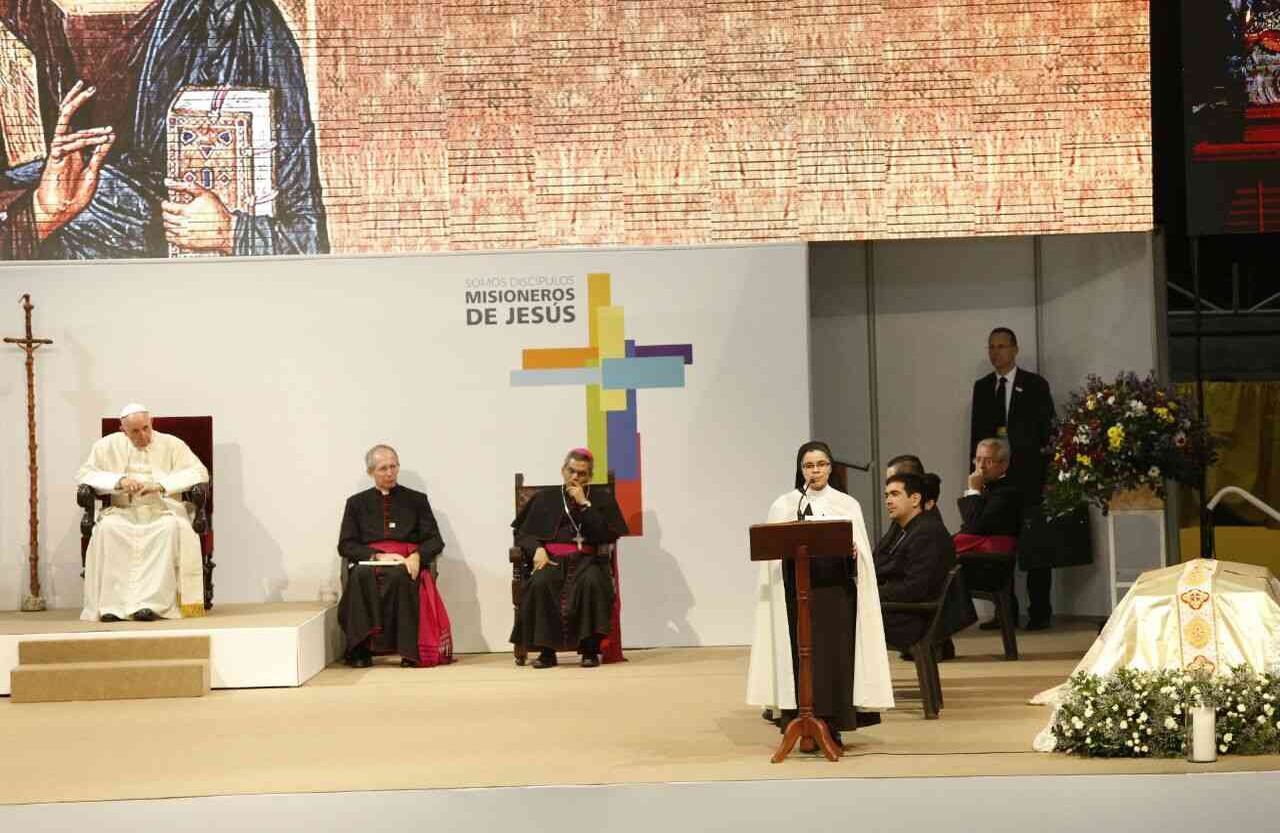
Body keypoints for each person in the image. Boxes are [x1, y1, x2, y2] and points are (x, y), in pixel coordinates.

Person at [0, 0, 328, 259]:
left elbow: (307, 240)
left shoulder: (239, 22)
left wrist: (234, 233)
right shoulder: (22, 20)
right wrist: (40, 215)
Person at [747, 440, 894, 746]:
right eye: (809, 465)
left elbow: (862, 552)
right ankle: (797, 721)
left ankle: (831, 723)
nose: (816, 471)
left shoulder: (846, 504)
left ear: (831, 468)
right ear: (800, 470)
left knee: (831, 657)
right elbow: (772, 554)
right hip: (795, 593)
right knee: (798, 656)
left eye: (822, 464)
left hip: (834, 592)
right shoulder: (785, 504)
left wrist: (852, 551)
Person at [76, 403, 209, 621]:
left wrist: (162, 485)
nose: (143, 435)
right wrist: (119, 481)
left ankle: (152, 604)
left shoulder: (172, 444)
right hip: (123, 510)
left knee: (168, 530)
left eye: (146, 428)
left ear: (151, 423)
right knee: (108, 529)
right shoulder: (106, 446)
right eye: (135, 431)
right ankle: (113, 606)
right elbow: (85, 474)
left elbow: (199, 472)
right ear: (123, 430)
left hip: (162, 510)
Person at [968, 327, 1055, 630]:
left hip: (1030, 479)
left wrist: (1050, 476)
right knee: (999, 547)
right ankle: (1006, 612)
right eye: (991, 347)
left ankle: (1040, 612)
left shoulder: (1035, 385)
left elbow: (1049, 432)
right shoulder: (982, 387)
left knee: (1035, 548)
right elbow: (977, 435)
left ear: (1015, 349)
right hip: (997, 482)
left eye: (1002, 346)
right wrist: (978, 472)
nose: (996, 353)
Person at [509, 448, 628, 668]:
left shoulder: (601, 498)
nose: (575, 477)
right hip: (551, 559)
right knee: (540, 582)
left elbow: (608, 535)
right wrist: (537, 549)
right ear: (563, 471)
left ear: (589, 476)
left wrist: (585, 504)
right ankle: (546, 652)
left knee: (593, 582)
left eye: (582, 474)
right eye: (571, 471)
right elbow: (522, 533)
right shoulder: (545, 498)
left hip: (588, 560)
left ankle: (590, 650)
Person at [337, 445, 451, 668]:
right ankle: (360, 649)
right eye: (383, 468)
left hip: (407, 561)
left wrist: (417, 556)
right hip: (371, 561)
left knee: (401, 575)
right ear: (371, 472)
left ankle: (408, 651)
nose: (390, 473)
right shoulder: (356, 503)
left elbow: (435, 540)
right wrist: (377, 556)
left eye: (393, 466)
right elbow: (346, 544)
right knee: (361, 575)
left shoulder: (417, 500)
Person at [875, 473, 960, 660]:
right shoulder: (909, 527)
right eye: (886, 495)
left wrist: (869, 592)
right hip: (904, 611)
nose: (888, 500)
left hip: (914, 620)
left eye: (895, 494)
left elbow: (915, 588)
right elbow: (880, 563)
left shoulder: (927, 532)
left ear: (915, 499)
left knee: (839, 615)